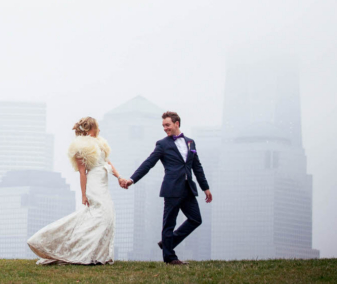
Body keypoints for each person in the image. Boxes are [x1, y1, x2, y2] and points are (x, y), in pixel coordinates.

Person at [118, 110, 212, 265]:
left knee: (196, 219)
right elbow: (148, 163)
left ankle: (168, 243)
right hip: (172, 189)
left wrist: (205, 188)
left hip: (188, 188)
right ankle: (170, 258)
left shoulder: (190, 142)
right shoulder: (162, 144)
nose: (165, 128)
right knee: (169, 224)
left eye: (167, 125)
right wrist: (132, 179)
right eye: (163, 126)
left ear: (177, 123)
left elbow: (197, 167)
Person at [27, 116, 121, 265]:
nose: (99, 129)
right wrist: (84, 195)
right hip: (94, 185)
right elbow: (82, 172)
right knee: (99, 217)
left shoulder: (100, 143)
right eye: (96, 127)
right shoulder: (80, 147)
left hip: (103, 183)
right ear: (91, 128)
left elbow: (107, 163)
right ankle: (79, 250)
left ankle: (98, 254)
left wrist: (119, 177)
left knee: (107, 216)